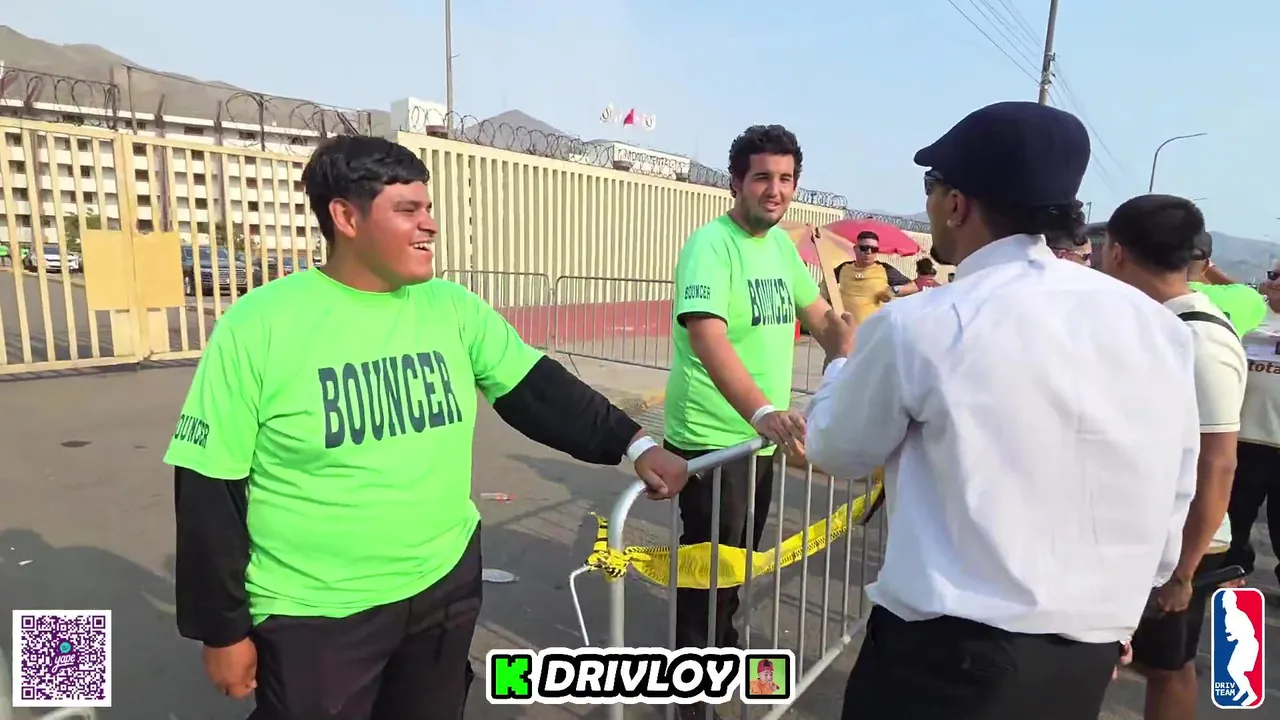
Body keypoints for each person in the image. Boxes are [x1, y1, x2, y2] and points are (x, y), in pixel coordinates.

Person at [166, 135, 690, 720]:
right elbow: (208, 484)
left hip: (443, 587)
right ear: (346, 218)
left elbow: (538, 389)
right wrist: (223, 630)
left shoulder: (450, 308)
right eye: (407, 210)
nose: (430, 225)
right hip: (316, 612)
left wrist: (635, 443)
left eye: (429, 207)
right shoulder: (259, 326)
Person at [805, 101, 1199, 720]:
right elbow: (1175, 485)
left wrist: (840, 361)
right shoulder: (1158, 329)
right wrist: (1120, 610)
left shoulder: (920, 324)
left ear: (956, 204)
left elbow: (837, 449)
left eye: (932, 187)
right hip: (1081, 660)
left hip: (943, 662)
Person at [664, 125, 849, 719]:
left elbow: (822, 318)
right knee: (707, 571)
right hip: (712, 438)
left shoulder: (780, 250)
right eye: (763, 177)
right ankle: (689, 691)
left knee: (738, 559)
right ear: (736, 182)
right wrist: (762, 410)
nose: (776, 190)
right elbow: (707, 336)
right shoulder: (710, 246)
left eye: (786, 179)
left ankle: (720, 649)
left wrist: (857, 357)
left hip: (760, 440)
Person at [1098, 194, 1246, 720]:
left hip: (1183, 541)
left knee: (1167, 667)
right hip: (1135, 531)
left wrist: (1184, 571)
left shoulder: (1199, 337)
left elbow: (1218, 462)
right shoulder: (1152, 322)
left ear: (1116, 252)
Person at [1185, 231, 1267, 336]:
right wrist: (1212, 270)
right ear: (1206, 265)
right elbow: (1242, 290)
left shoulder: (1166, 296)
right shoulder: (1248, 298)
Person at [833, 230, 918, 324]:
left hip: (873, 328)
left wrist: (893, 290)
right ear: (855, 249)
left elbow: (913, 287)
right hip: (845, 327)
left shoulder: (884, 269)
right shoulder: (843, 268)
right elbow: (826, 285)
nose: (869, 252)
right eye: (864, 248)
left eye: (874, 249)